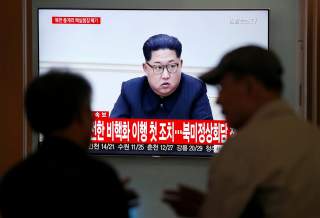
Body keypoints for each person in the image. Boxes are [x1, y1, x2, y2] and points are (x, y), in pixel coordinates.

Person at [163, 45, 320, 218]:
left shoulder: (241, 148)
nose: (219, 101)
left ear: (249, 86)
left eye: (223, 88)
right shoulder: (313, 137)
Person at [0, 70, 131, 218]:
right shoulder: (100, 178)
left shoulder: (14, 179)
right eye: (88, 111)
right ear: (80, 116)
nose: (93, 120)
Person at [110, 34, 213, 119]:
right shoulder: (131, 90)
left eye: (172, 66)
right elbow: (113, 134)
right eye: (158, 67)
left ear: (180, 64)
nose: (165, 75)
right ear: (146, 68)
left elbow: (205, 138)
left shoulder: (195, 89)